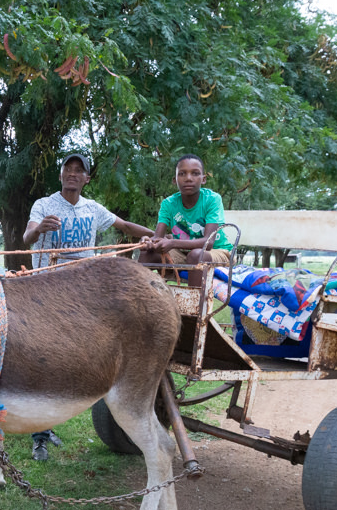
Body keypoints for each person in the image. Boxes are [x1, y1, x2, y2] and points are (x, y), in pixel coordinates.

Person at [22, 152, 154, 461]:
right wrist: (39, 229)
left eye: (78, 170)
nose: (72, 173)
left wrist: (154, 236)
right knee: (43, 361)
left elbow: (124, 225)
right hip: (47, 293)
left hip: (82, 296)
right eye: (67, 168)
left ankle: (63, 419)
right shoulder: (44, 204)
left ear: (86, 178)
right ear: (61, 175)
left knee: (72, 361)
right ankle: (40, 435)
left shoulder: (92, 209)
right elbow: (27, 237)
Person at [138, 154, 233, 287]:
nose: (188, 178)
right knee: (147, 254)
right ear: (174, 180)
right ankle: (141, 297)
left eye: (195, 173)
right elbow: (157, 238)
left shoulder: (212, 199)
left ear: (203, 179)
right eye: (182, 174)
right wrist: (148, 241)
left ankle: (195, 300)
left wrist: (173, 242)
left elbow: (208, 242)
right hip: (183, 253)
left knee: (196, 255)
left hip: (216, 252)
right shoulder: (168, 204)